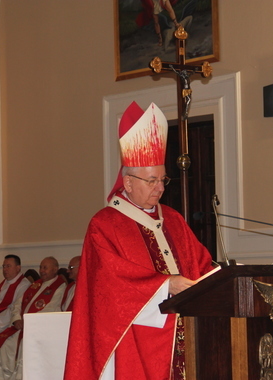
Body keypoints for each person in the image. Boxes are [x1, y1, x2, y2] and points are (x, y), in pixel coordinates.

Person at [64, 102, 214, 380]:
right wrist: (166, 284)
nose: (160, 187)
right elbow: (107, 288)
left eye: (163, 179)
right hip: (135, 342)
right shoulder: (105, 225)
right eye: (152, 180)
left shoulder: (174, 220)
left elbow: (202, 264)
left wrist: (223, 276)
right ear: (128, 182)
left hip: (186, 337)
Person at [0, 256, 67, 380]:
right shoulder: (36, 284)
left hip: (38, 329)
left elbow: (52, 309)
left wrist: (29, 323)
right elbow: (17, 304)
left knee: (24, 344)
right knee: (3, 343)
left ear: (55, 269)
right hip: (21, 326)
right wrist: (17, 319)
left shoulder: (60, 287)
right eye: (40, 267)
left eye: (45, 268)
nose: (41, 271)